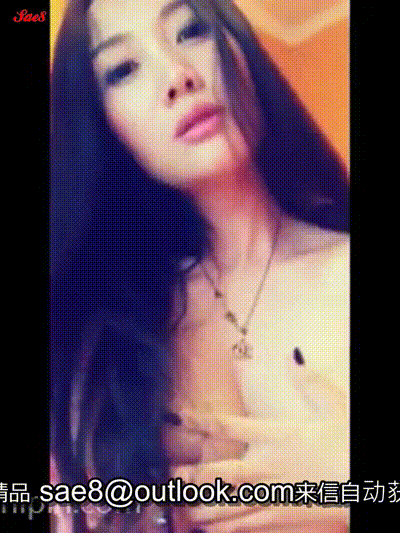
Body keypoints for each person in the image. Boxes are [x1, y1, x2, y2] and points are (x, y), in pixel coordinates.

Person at [51, 0, 349, 532]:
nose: (177, 75)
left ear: (241, 52)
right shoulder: (102, 340)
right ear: (103, 126)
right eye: (123, 69)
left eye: (191, 32)